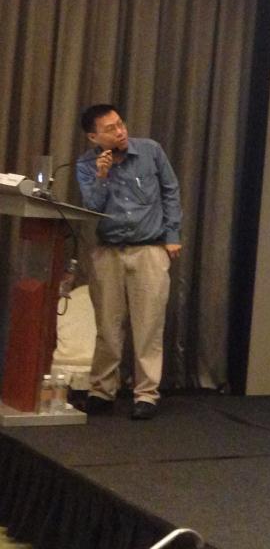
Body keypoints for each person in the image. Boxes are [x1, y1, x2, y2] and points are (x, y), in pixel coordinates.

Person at [75, 104, 182, 421]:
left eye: (120, 124)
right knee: (107, 327)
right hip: (108, 251)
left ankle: (146, 394)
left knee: (149, 326)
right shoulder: (86, 164)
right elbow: (92, 207)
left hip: (149, 248)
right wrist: (102, 176)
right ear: (93, 136)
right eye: (110, 129)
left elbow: (171, 191)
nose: (120, 131)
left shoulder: (150, 151)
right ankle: (101, 392)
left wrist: (172, 235)